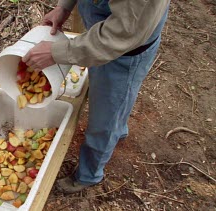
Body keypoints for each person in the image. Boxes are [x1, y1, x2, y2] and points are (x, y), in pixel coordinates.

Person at [22, 0, 170, 194]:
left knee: (105, 119)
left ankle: (89, 174)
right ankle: (118, 129)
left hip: (124, 51)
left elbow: (122, 34)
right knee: (115, 104)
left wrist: (57, 52)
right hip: (107, 36)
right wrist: (64, 7)